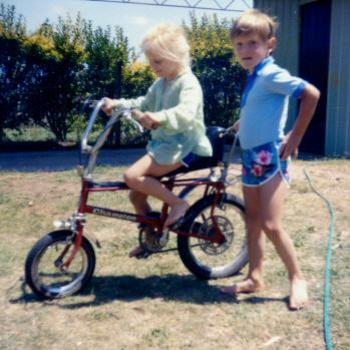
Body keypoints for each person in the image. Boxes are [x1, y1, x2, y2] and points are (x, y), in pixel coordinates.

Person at [220, 9, 320, 310]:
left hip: (272, 157)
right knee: (252, 220)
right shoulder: (255, 75)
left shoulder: (271, 73)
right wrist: (239, 124)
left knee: (271, 224)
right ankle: (255, 277)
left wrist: (295, 136)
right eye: (239, 45)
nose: (245, 50)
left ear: (270, 45)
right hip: (251, 158)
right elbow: (259, 108)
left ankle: (297, 278)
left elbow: (311, 94)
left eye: (252, 43)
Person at [101, 24, 212, 257]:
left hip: (185, 146)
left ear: (175, 56)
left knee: (132, 176)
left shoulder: (188, 83)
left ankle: (179, 204)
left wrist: (158, 118)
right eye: (151, 61)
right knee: (136, 195)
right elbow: (143, 102)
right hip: (165, 146)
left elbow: (185, 113)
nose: (153, 67)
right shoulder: (161, 83)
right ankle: (151, 238)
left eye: (158, 61)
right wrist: (117, 104)